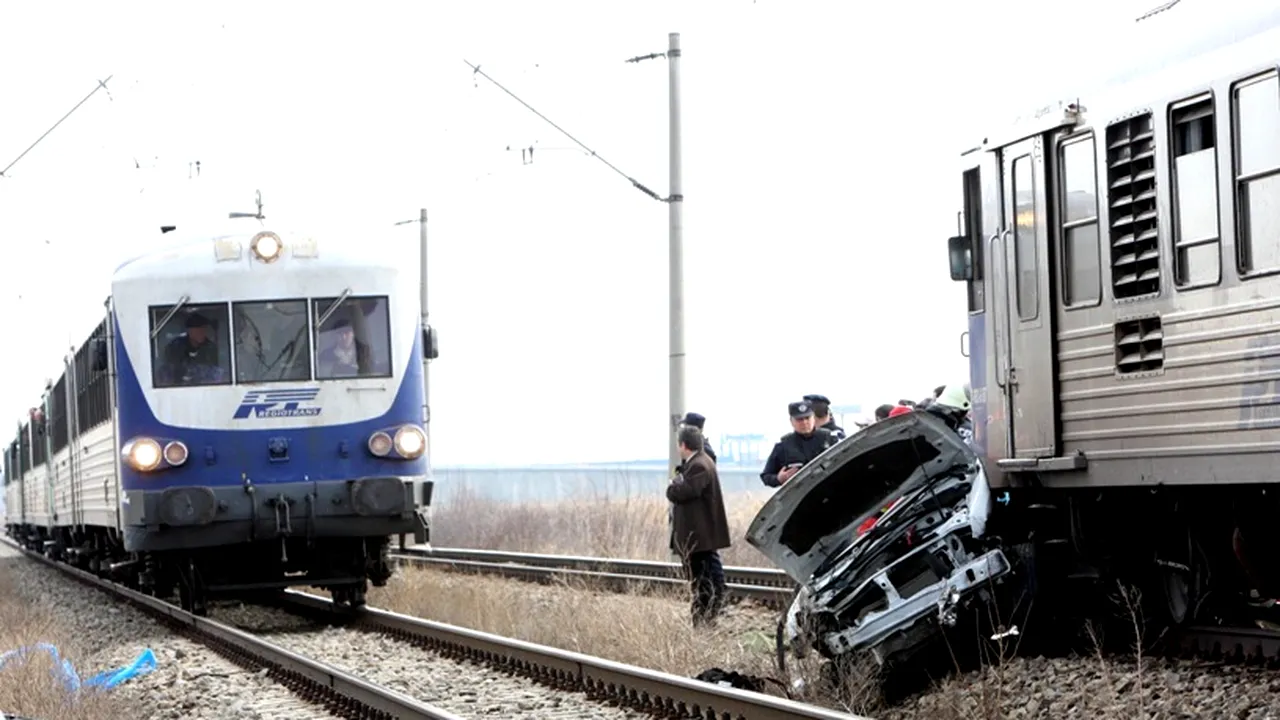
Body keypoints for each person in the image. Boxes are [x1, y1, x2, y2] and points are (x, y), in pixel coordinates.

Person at [666, 425, 731, 626]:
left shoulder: (699, 465)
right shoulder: (701, 462)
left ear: (683, 445)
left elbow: (684, 491)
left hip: (698, 537)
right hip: (701, 537)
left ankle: (703, 621)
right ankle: (707, 618)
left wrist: (672, 486)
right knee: (710, 579)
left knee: (702, 583)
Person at [759, 401, 838, 488]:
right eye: (799, 419)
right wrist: (778, 479)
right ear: (791, 422)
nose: (804, 422)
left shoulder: (829, 440)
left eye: (807, 418)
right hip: (801, 494)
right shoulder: (783, 446)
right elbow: (766, 476)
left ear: (813, 418)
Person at [161, 312, 224, 385]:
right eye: (198, 329)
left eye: (204, 329)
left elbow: (215, 370)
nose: (202, 332)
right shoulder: (175, 346)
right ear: (190, 330)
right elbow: (168, 369)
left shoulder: (211, 347)